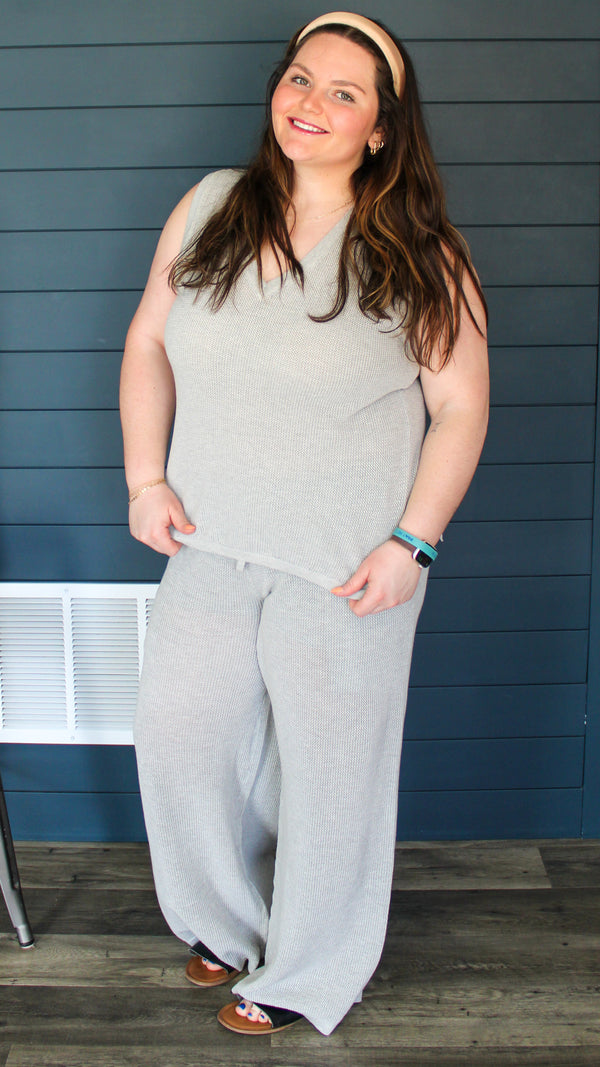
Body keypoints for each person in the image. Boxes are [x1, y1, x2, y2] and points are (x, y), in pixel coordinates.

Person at [120, 11, 489, 1038]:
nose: (311, 103)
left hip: (348, 564)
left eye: (344, 92)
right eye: (300, 78)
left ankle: (309, 969)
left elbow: (462, 406)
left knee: (334, 775)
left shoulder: (422, 250)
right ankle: (228, 924)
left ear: (382, 128)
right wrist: (146, 478)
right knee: (181, 739)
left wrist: (414, 540)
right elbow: (148, 341)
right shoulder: (210, 206)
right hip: (209, 541)